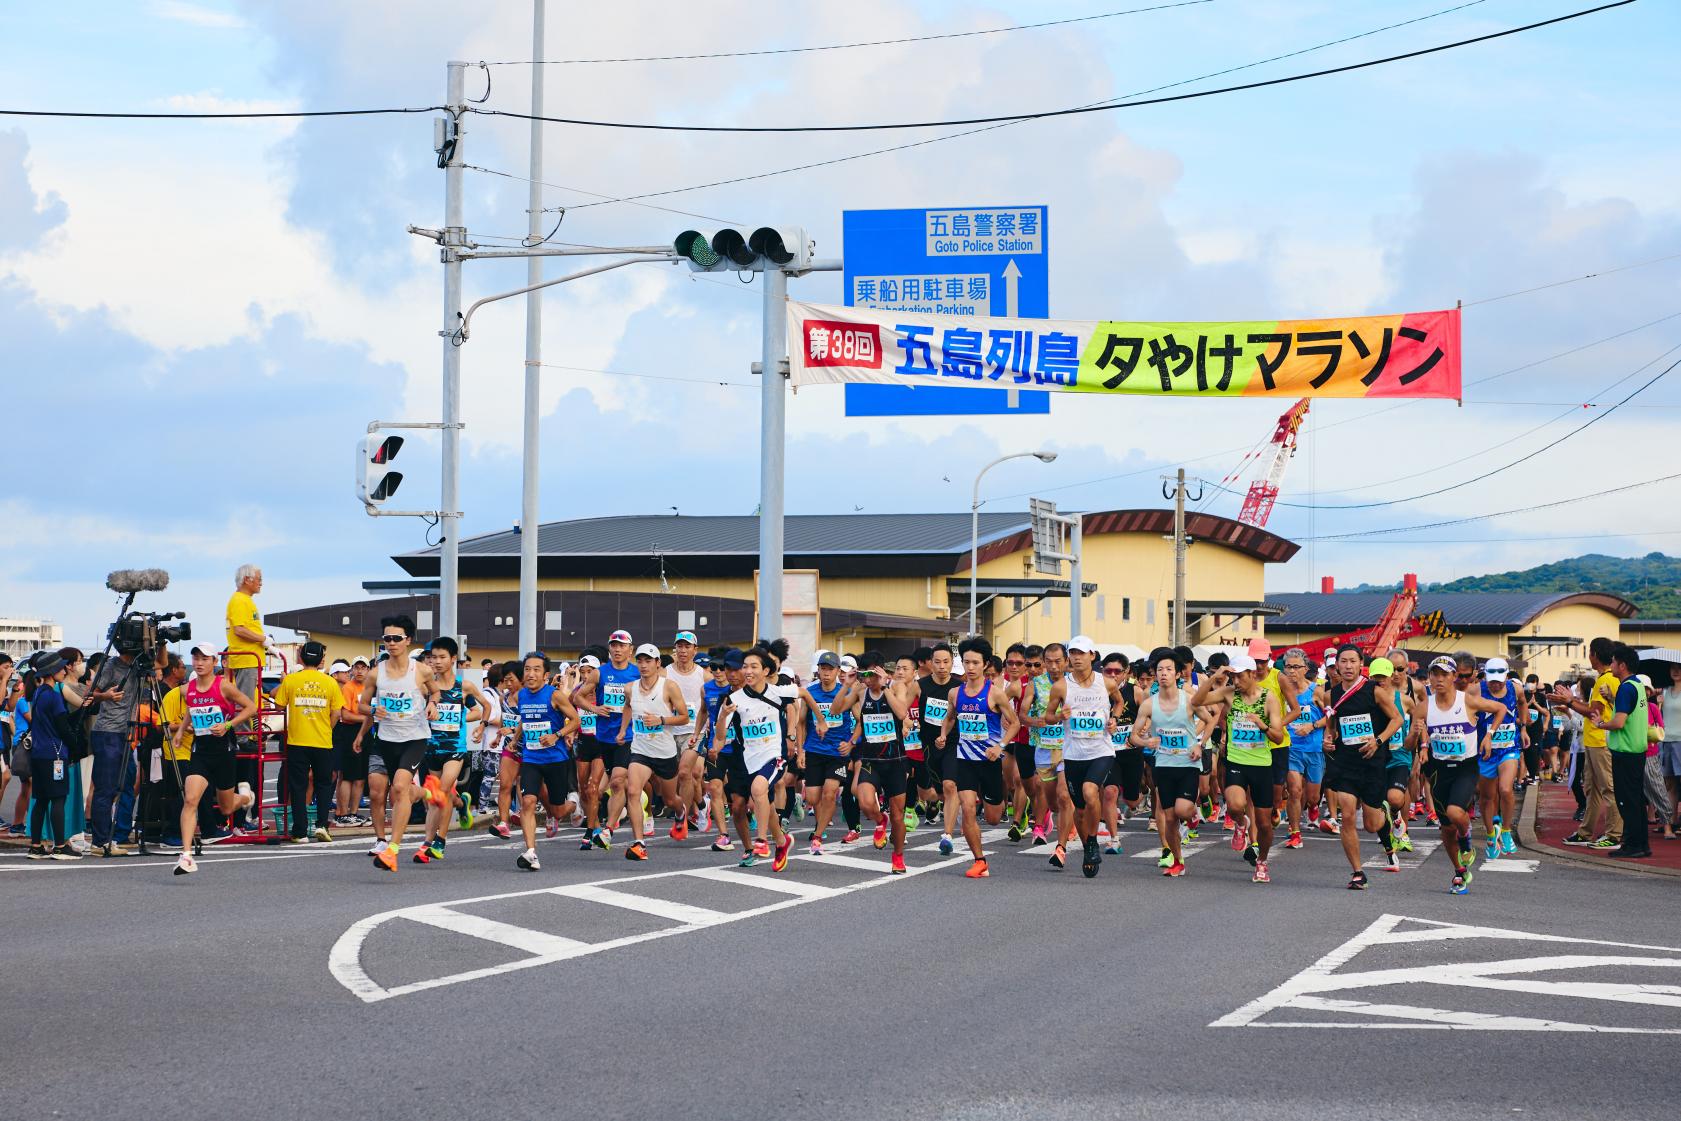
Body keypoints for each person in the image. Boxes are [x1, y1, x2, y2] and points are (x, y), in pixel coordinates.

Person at [1191, 651, 1290, 883]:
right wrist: (1215, 676)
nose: (1235, 681)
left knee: (1264, 824)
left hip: (1261, 764)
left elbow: (1277, 737)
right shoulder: (1229, 693)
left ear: (1252, 674)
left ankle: (1262, 861)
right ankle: (1240, 823)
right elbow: (1196, 701)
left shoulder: (1268, 698)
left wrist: (1262, 725)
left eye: (1240, 676)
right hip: (1236, 761)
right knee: (1235, 805)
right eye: (1232, 676)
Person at [166, 643, 261, 874]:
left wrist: (228, 725)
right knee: (190, 800)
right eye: (196, 658)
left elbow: (251, 707)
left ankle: (246, 797)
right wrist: (180, 731)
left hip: (223, 751)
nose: (199, 663)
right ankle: (186, 856)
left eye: (204, 659)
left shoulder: (224, 686)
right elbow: (191, 709)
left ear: (214, 662)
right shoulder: (188, 688)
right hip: (200, 752)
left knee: (226, 808)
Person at [1420, 655, 1509, 893]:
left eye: (1444, 674)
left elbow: (1500, 709)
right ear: (1429, 678)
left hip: (1465, 768)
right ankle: (1460, 872)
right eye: (1435, 674)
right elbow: (1414, 738)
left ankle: (1466, 835)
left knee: (1454, 812)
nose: (1439, 679)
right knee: (1447, 829)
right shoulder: (1425, 706)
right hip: (1439, 771)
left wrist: (1489, 735)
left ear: (1453, 677)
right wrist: (1422, 745)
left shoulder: (1467, 700)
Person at [934, 638, 1019, 879]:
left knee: (993, 818)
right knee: (968, 808)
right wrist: (943, 735)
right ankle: (979, 861)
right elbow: (950, 717)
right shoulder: (955, 693)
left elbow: (1015, 723)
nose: (970, 667)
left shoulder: (995, 694)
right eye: (966, 662)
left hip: (989, 761)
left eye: (975, 663)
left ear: (985, 664)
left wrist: (1000, 746)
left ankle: (997, 805)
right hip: (965, 759)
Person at [361, 614, 440, 872]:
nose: (391, 643)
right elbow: (362, 705)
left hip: (414, 738)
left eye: (396, 638)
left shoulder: (422, 670)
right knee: (397, 792)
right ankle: (429, 793)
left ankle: (392, 849)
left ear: (407, 640)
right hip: (386, 739)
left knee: (398, 787)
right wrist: (373, 711)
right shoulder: (376, 673)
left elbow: (436, 691)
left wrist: (432, 704)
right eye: (387, 638)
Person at [1043, 636, 1127, 879]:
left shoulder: (1106, 682)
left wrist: (1114, 719)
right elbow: (1048, 716)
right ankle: (1089, 846)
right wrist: (1059, 716)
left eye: (1081, 653)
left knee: (1091, 791)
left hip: (1101, 751)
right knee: (1079, 810)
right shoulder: (1061, 686)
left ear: (1092, 655)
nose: (1077, 657)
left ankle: (1091, 842)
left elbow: (1119, 703)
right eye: (1073, 653)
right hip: (1073, 754)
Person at [1322, 646, 1403, 889]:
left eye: (1352, 661)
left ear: (1361, 665)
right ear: (1337, 665)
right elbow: (1331, 726)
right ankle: (1358, 872)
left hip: (1372, 762)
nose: (1348, 666)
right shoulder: (1331, 695)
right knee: (1347, 814)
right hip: (1345, 763)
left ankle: (1384, 817)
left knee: (1371, 825)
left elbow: (1397, 719)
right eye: (1343, 661)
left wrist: (1378, 741)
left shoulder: (1374, 691)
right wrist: (1328, 740)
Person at [1130, 647, 1212, 877]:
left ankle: (1193, 814)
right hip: (1163, 764)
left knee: (1182, 810)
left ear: (1177, 674)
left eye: (1168, 669)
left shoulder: (1190, 699)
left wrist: (1199, 743)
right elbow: (1134, 736)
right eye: (1159, 670)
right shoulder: (1149, 704)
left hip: (1187, 763)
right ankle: (1178, 860)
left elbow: (1209, 720)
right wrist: (1146, 742)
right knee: (1169, 818)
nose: (1163, 673)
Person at [83, 637, 168, 856]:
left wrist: (162, 642)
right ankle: (100, 842)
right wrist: (106, 696)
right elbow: (88, 695)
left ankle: (112, 837)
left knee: (123, 785)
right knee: (106, 788)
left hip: (125, 734)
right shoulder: (111, 666)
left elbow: (162, 664)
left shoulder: (138, 666)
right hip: (108, 733)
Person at [716, 646, 795, 871]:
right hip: (746, 757)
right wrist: (722, 717)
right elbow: (720, 735)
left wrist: (792, 734)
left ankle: (761, 841)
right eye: (744, 667)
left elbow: (799, 701)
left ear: (764, 670)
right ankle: (780, 841)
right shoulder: (732, 699)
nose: (746, 671)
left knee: (758, 791)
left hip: (774, 754)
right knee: (753, 804)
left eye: (752, 667)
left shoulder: (777, 691)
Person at [413, 637, 491, 864]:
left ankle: (439, 841)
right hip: (432, 748)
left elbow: (484, 708)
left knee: (443, 791)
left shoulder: (463, 687)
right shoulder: (426, 687)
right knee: (436, 799)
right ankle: (459, 806)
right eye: (433, 657)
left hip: (455, 748)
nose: (436, 662)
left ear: (453, 658)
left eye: (442, 657)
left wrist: (480, 726)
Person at [620, 643, 691, 861]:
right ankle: (639, 844)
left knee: (670, 799)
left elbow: (684, 717)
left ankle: (681, 812)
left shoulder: (669, 687)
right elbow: (628, 706)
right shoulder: (630, 688)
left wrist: (661, 720)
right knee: (633, 791)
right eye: (640, 661)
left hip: (664, 751)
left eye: (648, 661)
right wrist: (623, 729)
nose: (643, 665)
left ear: (658, 663)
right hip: (640, 749)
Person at [845, 650, 914, 872]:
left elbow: (902, 713)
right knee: (865, 802)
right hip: (870, 759)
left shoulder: (896, 687)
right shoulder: (861, 691)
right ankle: (880, 820)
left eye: (871, 674)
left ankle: (898, 857)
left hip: (895, 760)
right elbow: (837, 709)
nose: (867, 679)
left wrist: (885, 687)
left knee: (898, 815)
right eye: (864, 674)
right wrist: (847, 685)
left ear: (881, 671)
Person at [1552, 637, 1622, 850]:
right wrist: (1570, 702)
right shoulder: (1605, 678)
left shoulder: (1605, 680)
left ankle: (1614, 835)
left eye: (1590, 652)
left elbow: (1594, 712)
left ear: (1595, 655)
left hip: (1600, 741)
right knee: (1593, 789)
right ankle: (1586, 832)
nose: (1589, 656)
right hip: (1594, 741)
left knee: (1607, 788)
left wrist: (1570, 702)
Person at [272, 641, 344, 844]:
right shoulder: (330, 682)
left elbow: (278, 707)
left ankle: (300, 832)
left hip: (297, 741)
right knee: (323, 784)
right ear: (321, 660)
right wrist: (326, 728)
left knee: (298, 786)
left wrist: (285, 684)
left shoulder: (292, 680)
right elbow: (337, 712)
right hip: (323, 741)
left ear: (301, 658)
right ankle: (321, 825)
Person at [514, 652, 579, 870]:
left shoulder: (555, 695)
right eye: (527, 669)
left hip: (555, 759)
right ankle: (531, 852)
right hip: (531, 758)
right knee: (528, 802)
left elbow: (576, 720)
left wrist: (556, 735)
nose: (530, 674)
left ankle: (574, 803)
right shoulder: (522, 695)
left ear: (545, 675)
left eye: (536, 670)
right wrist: (514, 739)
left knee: (558, 811)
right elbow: (525, 720)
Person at [1595, 644, 1652, 859]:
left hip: (1625, 752)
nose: (1610, 665)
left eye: (1613, 661)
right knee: (1636, 800)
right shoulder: (1637, 685)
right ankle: (1641, 844)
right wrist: (1612, 699)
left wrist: (1601, 724)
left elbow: (1619, 722)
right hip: (1637, 750)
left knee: (1626, 801)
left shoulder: (1626, 688)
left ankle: (1633, 845)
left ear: (1622, 665)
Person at [23, 651, 79, 860]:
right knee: (58, 799)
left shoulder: (39, 693)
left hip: (39, 754)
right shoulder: (54, 696)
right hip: (54, 754)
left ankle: (36, 846)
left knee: (41, 800)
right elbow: (63, 727)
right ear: (53, 671)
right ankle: (60, 846)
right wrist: (75, 745)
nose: (65, 670)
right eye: (61, 668)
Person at [795, 650, 852, 854]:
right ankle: (819, 825)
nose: (826, 673)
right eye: (823, 668)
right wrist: (801, 751)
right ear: (818, 670)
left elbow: (860, 720)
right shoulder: (810, 692)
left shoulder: (846, 692)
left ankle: (818, 836)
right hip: (814, 750)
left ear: (838, 671)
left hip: (837, 752)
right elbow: (801, 723)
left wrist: (851, 743)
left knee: (829, 793)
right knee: (812, 798)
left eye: (830, 669)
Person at [1279, 649, 1328, 847]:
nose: (1291, 671)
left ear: (1305, 669)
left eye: (1296, 667)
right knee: (1295, 790)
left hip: (1314, 749)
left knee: (1313, 797)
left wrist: (1312, 726)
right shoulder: (1281, 691)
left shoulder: (1316, 691)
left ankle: (1313, 806)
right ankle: (1295, 832)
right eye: (1288, 667)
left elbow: (1331, 717)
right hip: (1291, 748)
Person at [917, 643, 960, 849]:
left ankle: (947, 835)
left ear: (952, 663)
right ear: (930, 663)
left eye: (946, 662)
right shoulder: (920, 686)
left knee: (950, 786)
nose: (942, 666)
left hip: (953, 742)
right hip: (928, 744)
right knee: (936, 792)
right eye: (937, 662)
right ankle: (935, 801)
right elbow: (902, 707)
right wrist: (906, 722)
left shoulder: (959, 687)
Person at [334, 658, 370, 827]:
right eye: (357, 667)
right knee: (348, 776)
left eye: (363, 667)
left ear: (368, 670)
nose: (360, 671)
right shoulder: (348, 687)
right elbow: (345, 715)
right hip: (349, 732)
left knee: (360, 777)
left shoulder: (370, 688)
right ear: (352, 670)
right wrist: (368, 718)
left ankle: (353, 813)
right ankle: (343, 814)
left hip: (366, 732)